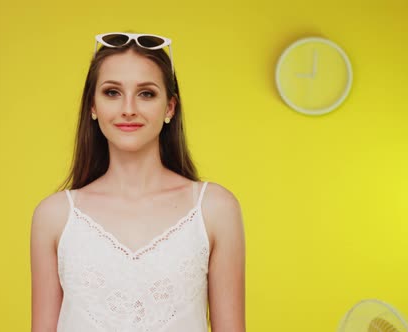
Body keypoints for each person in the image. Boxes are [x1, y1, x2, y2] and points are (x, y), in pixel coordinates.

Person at [30, 32, 246, 332]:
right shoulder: (54, 216)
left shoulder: (215, 209)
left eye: (146, 93)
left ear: (170, 107)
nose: (128, 108)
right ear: (92, 106)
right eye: (112, 92)